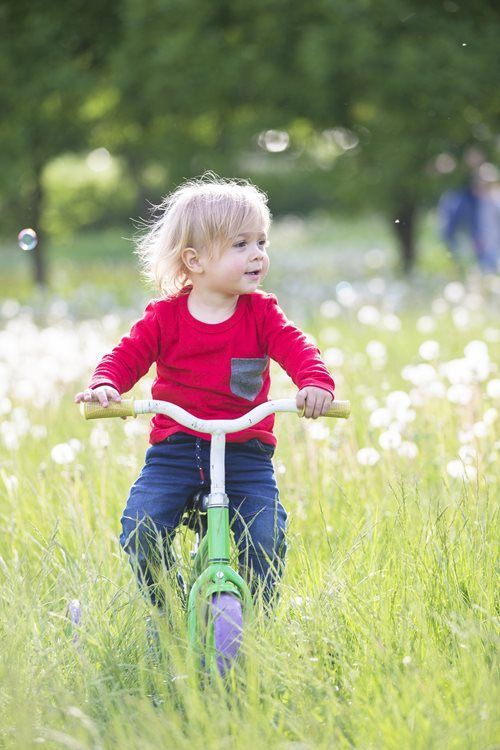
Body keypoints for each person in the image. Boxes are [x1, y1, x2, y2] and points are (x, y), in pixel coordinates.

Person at [74, 174, 335, 613]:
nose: (257, 255)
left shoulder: (262, 313)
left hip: (245, 453)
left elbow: (298, 347)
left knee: (266, 533)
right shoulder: (165, 317)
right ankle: (171, 608)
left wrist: (315, 383)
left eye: (261, 242)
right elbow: (127, 354)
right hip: (175, 451)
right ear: (194, 260)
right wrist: (107, 384)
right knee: (141, 527)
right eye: (240, 245)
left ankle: (257, 618)